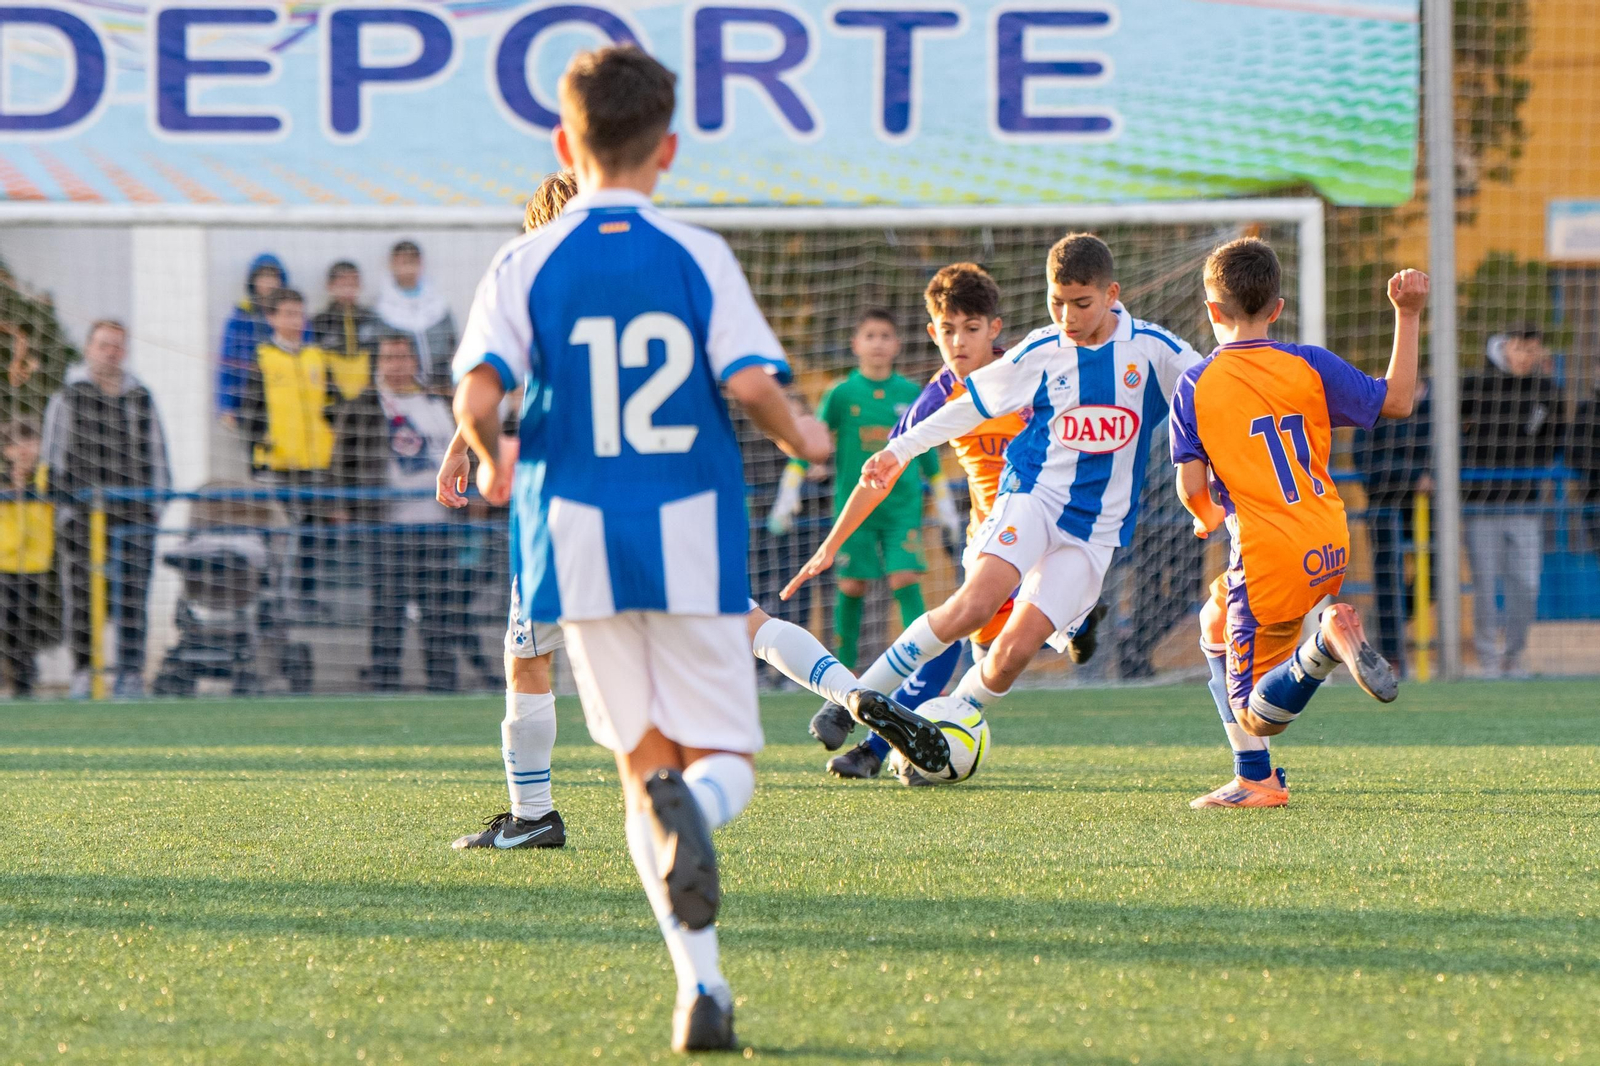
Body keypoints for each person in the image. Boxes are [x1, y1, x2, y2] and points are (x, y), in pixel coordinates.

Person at [445, 46, 947, 1052]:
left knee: (643, 771)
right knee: (725, 767)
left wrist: (487, 451)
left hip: (575, 541)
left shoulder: (523, 260)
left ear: (562, 144)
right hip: (686, 533)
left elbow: (481, 383)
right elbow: (755, 384)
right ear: (667, 149)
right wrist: (803, 436)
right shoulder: (695, 254)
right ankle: (703, 816)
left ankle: (701, 991)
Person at [850, 234, 1202, 746]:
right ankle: (854, 700)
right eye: (1055, 302)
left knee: (1012, 655)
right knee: (973, 607)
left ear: (1111, 294)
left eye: (1081, 303)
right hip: (1031, 498)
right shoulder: (1040, 349)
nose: (1068, 315)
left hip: (1095, 530)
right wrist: (900, 448)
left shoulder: (1155, 350)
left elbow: (1210, 398)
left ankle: (945, 733)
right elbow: (969, 404)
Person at [1172, 238, 1427, 809]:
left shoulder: (1195, 383)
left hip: (1267, 557)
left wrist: (1208, 517)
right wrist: (1407, 314)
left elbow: (1191, 488)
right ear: (1278, 307)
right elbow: (1399, 400)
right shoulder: (1307, 363)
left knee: (1256, 717)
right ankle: (1255, 778)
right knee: (1213, 624)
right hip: (1328, 537)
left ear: (1212, 310)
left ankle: (1323, 645)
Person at [785, 262, 1031, 781]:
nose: (958, 342)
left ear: (995, 329)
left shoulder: (1030, 380)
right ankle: (884, 745)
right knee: (958, 643)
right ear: (931, 333)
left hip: (1052, 536)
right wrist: (832, 544)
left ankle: (880, 731)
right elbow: (883, 470)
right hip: (991, 542)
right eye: (947, 330)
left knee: (987, 644)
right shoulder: (938, 397)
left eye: (971, 329)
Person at [809, 310, 954, 670]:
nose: (877, 343)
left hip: (901, 506)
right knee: (852, 584)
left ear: (897, 345)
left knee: (905, 577)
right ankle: (842, 672)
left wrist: (943, 499)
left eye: (885, 336)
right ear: (856, 344)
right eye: (870, 335)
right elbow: (811, 441)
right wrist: (790, 487)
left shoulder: (910, 392)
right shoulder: (841, 393)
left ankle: (921, 668)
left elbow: (929, 452)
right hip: (855, 506)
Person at [41, 320, 171, 699]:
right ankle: (84, 671)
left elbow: (158, 454)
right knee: (81, 596)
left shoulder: (140, 397)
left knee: (133, 596)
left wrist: (155, 507)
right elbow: (51, 460)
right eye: (103, 345)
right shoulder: (67, 396)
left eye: (117, 345)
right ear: (88, 348)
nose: (110, 352)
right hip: (82, 518)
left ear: (125, 351)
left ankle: (130, 674)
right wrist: (63, 506)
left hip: (133, 517)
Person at [335, 331, 459, 690]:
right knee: (386, 609)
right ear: (379, 362)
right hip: (386, 526)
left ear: (415, 362)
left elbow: (469, 451)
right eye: (389, 357)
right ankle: (385, 681)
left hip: (437, 525)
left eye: (402, 357)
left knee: (439, 609)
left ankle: (443, 682)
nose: (396, 364)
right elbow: (342, 461)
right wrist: (345, 506)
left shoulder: (439, 406)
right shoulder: (364, 406)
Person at [241, 287, 368, 612]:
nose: (294, 320)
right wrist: (258, 448)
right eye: (286, 313)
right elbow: (250, 412)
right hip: (278, 464)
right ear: (271, 318)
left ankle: (307, 597)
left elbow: (334, 404)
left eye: (298, 313)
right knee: (278, 533)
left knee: (313, 533)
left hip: (316, 464)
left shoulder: (317, 357)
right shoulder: (262, 358)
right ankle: (273, 595)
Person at [1460, 329, 1563, 678]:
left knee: (1527, 583)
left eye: (1533, 350)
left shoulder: (1547, 390)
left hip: (1525, 505)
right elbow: (1452, 431)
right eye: (1520, 349)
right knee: (1486, 585)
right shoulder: (1475, 385)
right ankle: (1488, 660)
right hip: (1479, 506)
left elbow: (1556, 438)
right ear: (1506, 348)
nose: (1525, 357)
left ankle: (1514, 655)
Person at [1354, 380, 1433, 676]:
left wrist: (1427, 478)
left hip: (1427, 510)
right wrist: (1414, 476)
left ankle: (1389, 626)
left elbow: (1446, 457)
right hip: (1384, 506)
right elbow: (1367, 464)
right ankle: (1392, 653)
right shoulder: (1374, 409)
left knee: (1436, 574)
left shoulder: (1435, 410)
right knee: (1388, 578)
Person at [0, 418, 54, 698]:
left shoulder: (47, 477)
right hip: (3, 563)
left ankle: (25, 682)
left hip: (35, 564)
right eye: (16, 443)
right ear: (7, 450)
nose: (24, 449)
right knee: (5, 621)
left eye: (31, 441)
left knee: (26, 624)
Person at [377, 240, 458, 393]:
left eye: (412, 262)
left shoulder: (438, 305)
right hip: (402, 390)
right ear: (393, 264)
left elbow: (453, 343)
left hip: (441, 386)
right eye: (403, 262)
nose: (408, 268)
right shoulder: (382, 310)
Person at [217, 254, 287, 420]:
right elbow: (227, 364)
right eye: (263, 276)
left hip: (286, 398)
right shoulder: (239, 317)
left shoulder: (293, 315)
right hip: (249, 401)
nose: (269, 282)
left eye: (273, 276)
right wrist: (226, 406)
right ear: (253, 280)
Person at [312, 261, 380, 372]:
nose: (348, 290)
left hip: (368, 386)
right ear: (330, 286)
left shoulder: (370, 318)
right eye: (343, 285)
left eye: (353, 285)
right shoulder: (320, 321)